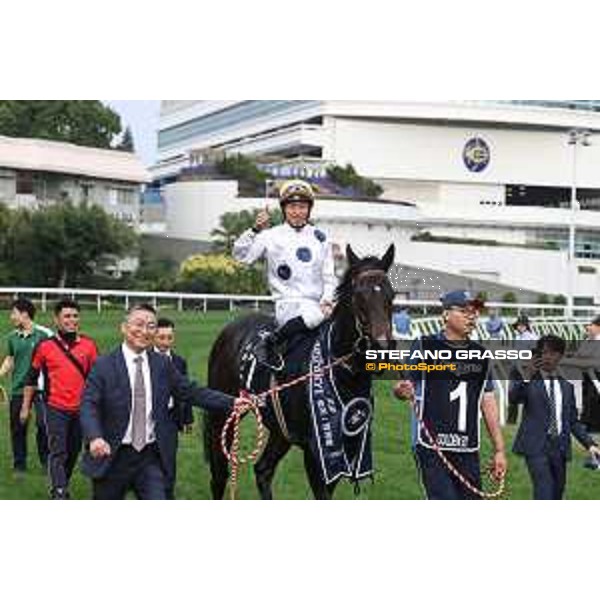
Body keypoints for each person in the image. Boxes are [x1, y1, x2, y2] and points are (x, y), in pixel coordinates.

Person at [79, 304, 249, 500]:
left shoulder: (162, 364)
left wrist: (232, 402)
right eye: (139, 324)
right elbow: (88, 404)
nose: (144, 331)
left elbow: (191, 391)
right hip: (113, 456)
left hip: (150, 457)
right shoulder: (103, 365)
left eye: (151, 326)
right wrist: (95, 437)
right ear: (124, 327)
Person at [393, 290, 507, 500]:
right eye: (464, 311)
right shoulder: (424, 345)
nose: (472, 316)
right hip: (432, 446)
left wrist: (499, 449)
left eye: (474, 312)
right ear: (445, 315)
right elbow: (405, 385)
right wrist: (401, 391)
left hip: (468, 448)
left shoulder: (480, 355)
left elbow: (487, 400)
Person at [232, 179, 336, 366]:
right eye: (292, 207)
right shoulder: (269, 236)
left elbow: (329, 276)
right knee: (316, 317)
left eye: (302, 207)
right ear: (284, 209)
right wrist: (254, 230)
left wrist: (327, 300)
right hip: (288, 306)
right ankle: (270, 342)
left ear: (309, 209)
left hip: (318, 305)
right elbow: (242, 257)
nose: (297, 212)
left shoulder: (321, 238)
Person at [20, 299, 98, 499]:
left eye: (75, 316)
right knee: (58, 451)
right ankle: (59, 492)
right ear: (57, 319)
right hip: (54, 408)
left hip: (81, 410)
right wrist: (25, 407)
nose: (72, 320)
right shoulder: (44, 346)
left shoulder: (89, 346)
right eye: (67, 316)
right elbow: (31, 378)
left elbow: (97, 379)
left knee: (73, 452)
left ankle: (62, 481)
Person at [509, 335, 600, 499]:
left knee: (557, 494)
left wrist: (590, 444)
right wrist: (527, 377)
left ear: (560, 356)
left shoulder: (567, 387)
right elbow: (514, 398)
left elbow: (573, 421)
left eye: (553, 353)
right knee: (544, 492)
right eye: (544, 353)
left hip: (560, 448)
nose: (548, 357)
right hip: (535, 446)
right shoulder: (529, 380)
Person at [0, 298, 51, 474]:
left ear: (24, 314)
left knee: (44, 425)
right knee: (17, 428)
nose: (11, 317)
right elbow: (10, 359)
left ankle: (47, 462)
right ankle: (19, 466)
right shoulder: (12, 337)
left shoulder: (44, 334)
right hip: (18, 389)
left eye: (13, 313)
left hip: (42, 389)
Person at [153, 317, 192, 499]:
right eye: (161, 338)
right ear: (153, 337)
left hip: (169, 418)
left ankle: (168, 494)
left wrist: (187, 418)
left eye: (169, 337)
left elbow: (186, 392)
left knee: (168, 461)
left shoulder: (179, 362)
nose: (165, 342)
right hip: (148, 418)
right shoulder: (144, 359)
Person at [561, 315, 600, 431]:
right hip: (588, 375)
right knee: (587, 399)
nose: (588, 328)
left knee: (593, 399)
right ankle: (587, 423)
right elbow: (578, 355)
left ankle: (593, 426)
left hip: (596, 374)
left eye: (591, 325)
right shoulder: (588, 340)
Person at [507, 314, 539, 424]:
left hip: (525, 368)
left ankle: (528, 419)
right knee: (512, 394)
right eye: (518, 325)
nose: (519, 327)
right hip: (516, 368)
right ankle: (511, 420)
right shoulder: (518, 337)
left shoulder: (532, 337)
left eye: (521, 325)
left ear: (525, 326)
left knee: (527, 395)